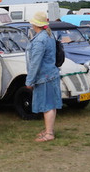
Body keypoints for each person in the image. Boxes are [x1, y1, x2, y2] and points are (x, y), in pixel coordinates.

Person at [25, 11, 62, 142]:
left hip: (44, 76)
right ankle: (48, 130)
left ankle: (49, 134)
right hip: (51, 74)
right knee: (50, 104)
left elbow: (35, 62)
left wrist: (29, 80)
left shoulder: (40, 39)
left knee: (47, 106)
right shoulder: (49, 35)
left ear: (35, 24)